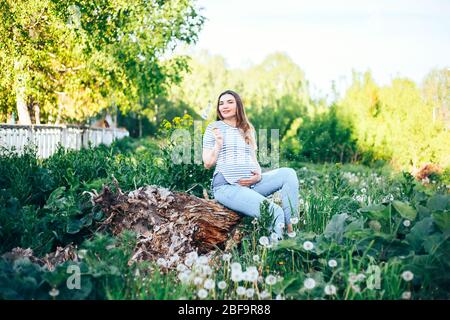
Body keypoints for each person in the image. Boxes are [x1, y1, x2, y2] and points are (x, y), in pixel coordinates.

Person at [202, 89, 299, 239]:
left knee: (289, 174)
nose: (224, 106)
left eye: (229, 102)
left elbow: (253, 159)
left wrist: (258, 175)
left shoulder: (246, 128)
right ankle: (280, 251)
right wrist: (218, 145)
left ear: (238, 106)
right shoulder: (214, 128)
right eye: (221, 103)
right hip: (227, 187)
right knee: (275, 212)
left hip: (252, 185)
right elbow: (207, 163)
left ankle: (292, 230)